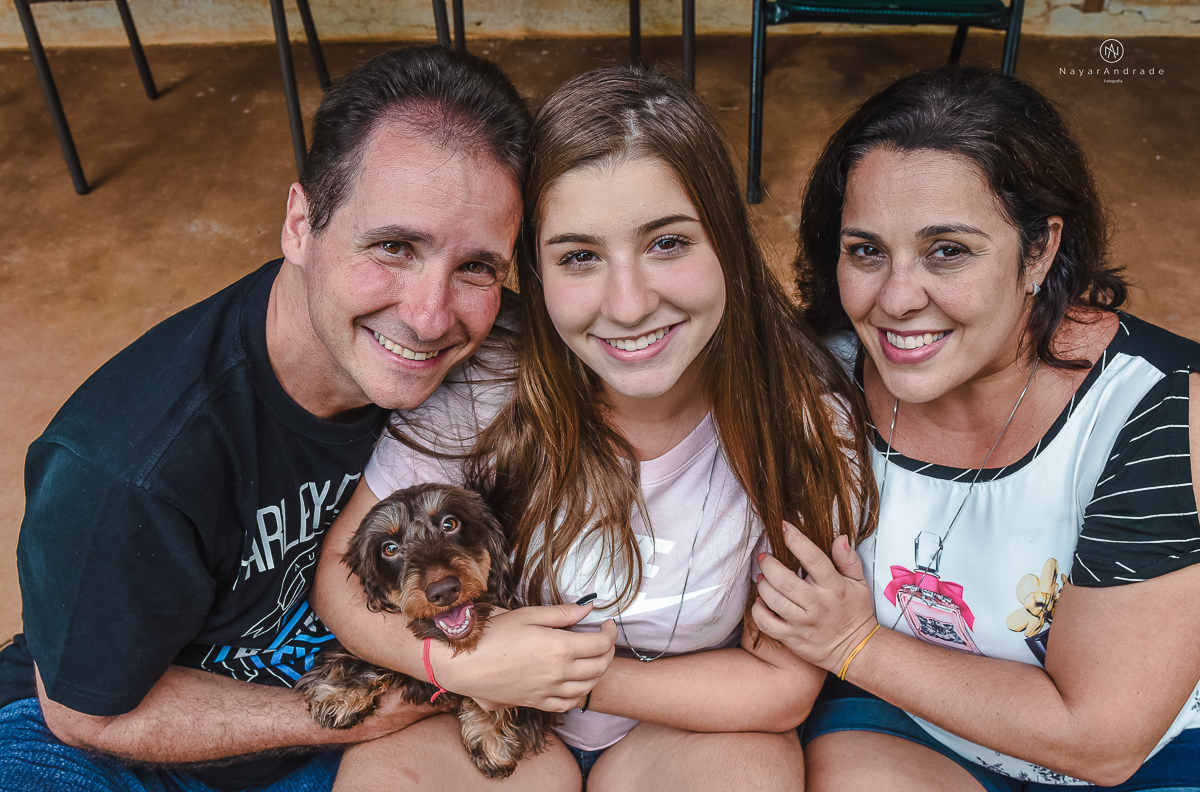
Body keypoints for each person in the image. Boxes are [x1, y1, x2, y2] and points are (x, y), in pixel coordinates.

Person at [0, 45, 564, 791]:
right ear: (301, 224)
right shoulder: (128, 465)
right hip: (108, 746)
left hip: (352, 713)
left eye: (477, 267)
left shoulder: (494, 355)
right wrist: (361, 713)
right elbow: (85, 714)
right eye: (394, 246)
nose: (431, 317)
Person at [311, 65, 877, 790]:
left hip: (679, 723)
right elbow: (341, 578)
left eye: (667, 243)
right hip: (472, 713)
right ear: (535, 275)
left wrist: (560, 675)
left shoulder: (799, 418)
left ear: (728, 242)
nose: (630, 302)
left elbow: (778, 684)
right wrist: (458, 665)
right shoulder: (486, 379)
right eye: (579, 256)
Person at [752, 65, 1200, 792]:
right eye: (866, 250)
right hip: (913, 718)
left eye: (948, 250)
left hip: (1148, 757)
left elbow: (1101, 741)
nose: (897, 298)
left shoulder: (1157, 414)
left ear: (1039, 251)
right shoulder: (822, 379)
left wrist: (853, 642)